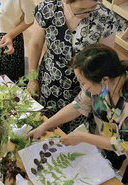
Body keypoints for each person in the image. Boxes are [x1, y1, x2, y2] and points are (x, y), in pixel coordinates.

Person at [27, 44, 128, 183]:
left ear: (104, 79)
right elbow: (78, 105)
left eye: (83, 82)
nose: (82, 87)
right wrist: (44, 126)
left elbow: (123, 144)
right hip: (107, 143)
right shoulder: (101, 84)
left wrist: (83, 137)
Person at [27, 0, 117, 133]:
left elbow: (104, 60)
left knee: (73, 128)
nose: (88, 14)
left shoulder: (105, 17)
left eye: (94, 6)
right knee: (45, 122)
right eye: (82, 9)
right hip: (50, 79)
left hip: (84, 85)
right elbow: (35, 44)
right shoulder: (48, 8)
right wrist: (32, 78)